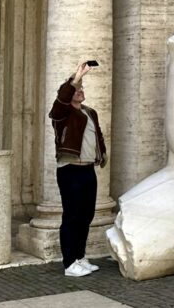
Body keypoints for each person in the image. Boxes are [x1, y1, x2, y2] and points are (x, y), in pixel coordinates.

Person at [49, 60, 107, 277]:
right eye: (76, 90)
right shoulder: (62, 113)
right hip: (69, 170)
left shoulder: (90, 112)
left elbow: (97, 135)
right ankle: (69, 263)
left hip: (87, 170)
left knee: (86, 215)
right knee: (72, 216)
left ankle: (80, 257)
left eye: (82, 89)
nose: (80, 92)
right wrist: (76, 78)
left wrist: (101, 155)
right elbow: (63, 98)